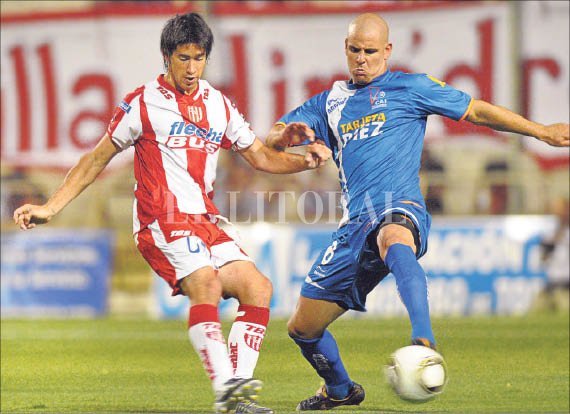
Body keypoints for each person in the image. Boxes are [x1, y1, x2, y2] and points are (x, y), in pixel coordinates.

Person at [13, 13, 332, 414]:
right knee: (206, 284)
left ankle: (237, 396)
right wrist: (50, 207)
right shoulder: (141, 103)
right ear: (166, 57)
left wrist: (305, 161)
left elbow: (261, 157)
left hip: (205, 220)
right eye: (184, 58)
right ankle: (226, 389)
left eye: (199, 58)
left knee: (258, 288)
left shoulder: (218, 104)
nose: (192, 68)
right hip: (160, 220)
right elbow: (96, 159)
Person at [266, 13, 570, 411]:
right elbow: (272, 137)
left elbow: (476, 111)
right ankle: (340, 389)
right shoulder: (328, 103)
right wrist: (285, 135)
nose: (362, 59)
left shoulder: (411, 88)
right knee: (302, 328)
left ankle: (423, 339)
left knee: (393, 236)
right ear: (346, 48)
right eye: (355, 50)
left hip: (400, 206)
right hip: (354, 227)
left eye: (370, 51)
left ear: (387, 51)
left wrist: (541, 131)